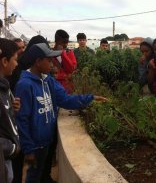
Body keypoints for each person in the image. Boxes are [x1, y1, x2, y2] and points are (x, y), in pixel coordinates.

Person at [15, 43, 107, 183]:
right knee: (33, 176)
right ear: (38, 62)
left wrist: (91, 98)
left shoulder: (48, 80)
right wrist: (28, 149)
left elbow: (65, 99)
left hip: (46, 140)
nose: (52, 63)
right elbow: (22, 119)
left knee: (41, 172)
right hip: (34, 144)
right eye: (49, 60)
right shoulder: (25, 85)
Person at [8, 35, 49, 183]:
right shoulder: (23, 76)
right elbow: (23, 116)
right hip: (14, 129)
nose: (19, 55)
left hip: (15, 125)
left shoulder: (29, 71)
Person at [0, 38, 21, 183]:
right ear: (5, 61)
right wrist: (12, 148)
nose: (17, 63)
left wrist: (11, 110)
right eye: (15, 59)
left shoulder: (4, 86)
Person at [52, 29, 77, 94]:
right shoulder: (50, 55)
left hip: (69, 90)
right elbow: (51, 75)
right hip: (55, 90)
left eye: (67, 42)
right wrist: (66, 76)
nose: (65, 45)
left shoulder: (69, 52)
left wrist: (63, 54)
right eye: (63, 42)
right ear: (56, 41)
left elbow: (71, 69)